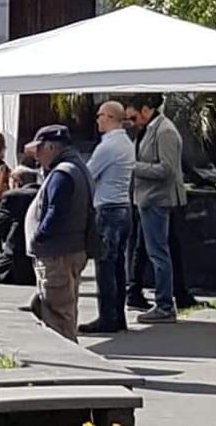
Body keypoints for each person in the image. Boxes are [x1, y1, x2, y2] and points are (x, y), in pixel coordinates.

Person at [24, 125, 95, 342]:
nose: (36, 155)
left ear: (52, 147)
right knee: (64, 307)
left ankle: (67, 362)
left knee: (57, 313)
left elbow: (56, 211)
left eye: (39, 149)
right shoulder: (76, 167)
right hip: (70, 249)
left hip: (58, 253)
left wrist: (40, 235)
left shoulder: (63, 173)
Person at [125, 94, 186, 324]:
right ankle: (163, 303)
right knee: (155, 252)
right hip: (147, 199)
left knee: (159, 254)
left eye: (134, 116)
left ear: (147, 109)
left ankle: (164, 305)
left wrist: (134, 167)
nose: (132, 121)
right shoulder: (149, 130)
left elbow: (167, 169)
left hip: (157, 200)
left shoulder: (165, 131)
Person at [78, 101, 135, 334]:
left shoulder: (108, 147)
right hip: (124, 207)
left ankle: (108, 317)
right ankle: (118, 315)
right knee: (118, 265)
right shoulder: (127, 143)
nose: (97, 120)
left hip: (108, 209)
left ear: (111, 116)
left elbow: (87, 174)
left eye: (100, 115)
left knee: (105, 266)